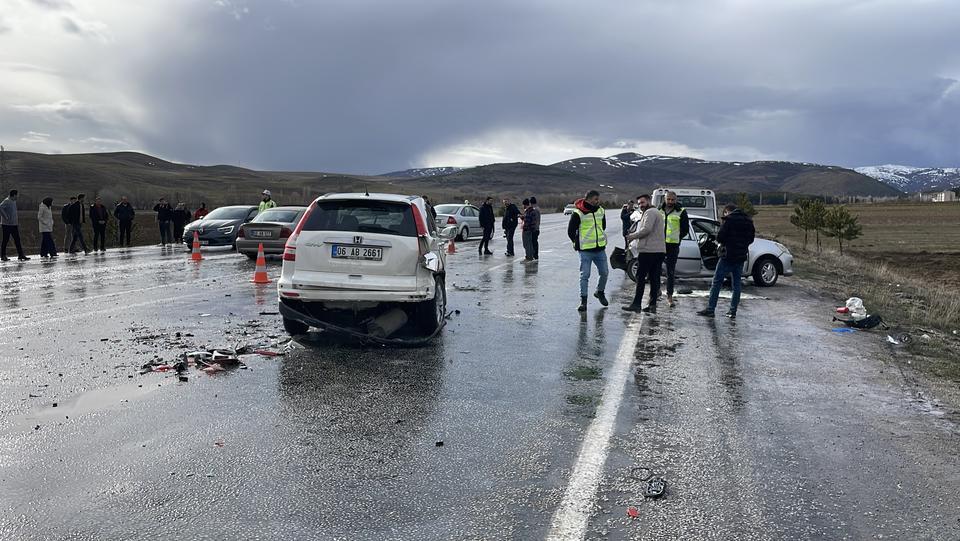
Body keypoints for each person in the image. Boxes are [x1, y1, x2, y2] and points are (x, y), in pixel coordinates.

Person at [698, 204, 755, 319]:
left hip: (727, 256)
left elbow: (720, 237)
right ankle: (733, 311)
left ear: (727, 212)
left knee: (717, 282)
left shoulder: (729, 220)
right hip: (740, 256)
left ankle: (710, 309)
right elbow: (751, 239)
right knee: (737, 284)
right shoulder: (748, 221)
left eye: (724, 213)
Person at [622, 194, 665, 313]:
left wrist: (632, 236)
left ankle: (636, 304)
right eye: (639, 203)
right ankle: (652, 305)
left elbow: (646, 229)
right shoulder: (656, 212)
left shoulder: (650, 212)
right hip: (658, 250)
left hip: (649, 251)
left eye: (643, 202)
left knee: (640, 277)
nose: (641, 205)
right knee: (654, 278)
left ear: (649, 201)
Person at [568, 190, 609, 312]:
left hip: (600, 249)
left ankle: (600, 292)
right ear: (589, 199)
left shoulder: (601, 210)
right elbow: (571, 231)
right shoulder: (578, 213)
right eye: (596, 199)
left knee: (605, 272)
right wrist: (577, 243)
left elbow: (603, 226)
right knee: (585, 275)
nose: (598, 201)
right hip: (585, 250)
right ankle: (583, 302)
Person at [659, 191, 690, 307]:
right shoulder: (659, 210)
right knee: (656, 269)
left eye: (673, 200)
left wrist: (677, 237)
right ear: (665, 199)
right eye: (668, 199)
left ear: (676, 200)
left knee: (670, 272)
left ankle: (669, 296)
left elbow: (685, 229)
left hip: (673, 245)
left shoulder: (681, 211)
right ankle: (656, 292)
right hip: (659, 244)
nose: (670, 202)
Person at [0, 190, 29, 261]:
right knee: (5, 240)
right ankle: (3, 255)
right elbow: (0, 207)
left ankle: (21, 255)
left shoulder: (13, 201)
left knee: (17, 240)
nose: (18, 196)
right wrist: (5, 216)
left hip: (14, 224)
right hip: (6, 225)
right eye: (17, 195)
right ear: (14, 195)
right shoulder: (7, 201)